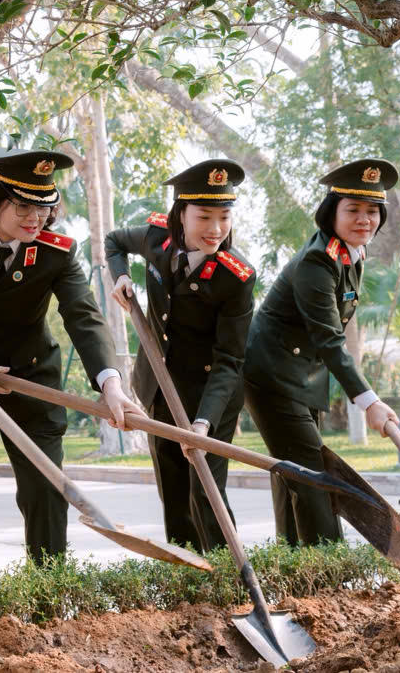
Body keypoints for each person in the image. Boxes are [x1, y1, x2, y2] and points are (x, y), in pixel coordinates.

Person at [0, 147, 143, 577]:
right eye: (22, 207)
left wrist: (111, 384)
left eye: (43, 208)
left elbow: (83, 315)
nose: (35, 219)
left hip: (30, 385)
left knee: (45, 494)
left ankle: (49, 597)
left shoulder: (58, 253)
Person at [241, 158, 400, 546]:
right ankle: (328, 568)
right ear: (332, 213)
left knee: (293, 472)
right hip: (272, 377)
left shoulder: (349, 255)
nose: (364, 219)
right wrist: (369, 402)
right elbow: (330, 339)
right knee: (313, 477)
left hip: (300, 375)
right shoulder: (318, 260)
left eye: (372, 211)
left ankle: (293, 563)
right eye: (353, 210)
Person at [106, 159, 256, 553]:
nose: (216, 228)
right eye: (204, 216)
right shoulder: (157, 238)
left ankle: (229, 573)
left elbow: (229, 360)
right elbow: (114, 241)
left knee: (205, 491)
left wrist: (202, 425)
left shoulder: (236, 276)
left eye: (224, 217)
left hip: (210, 396)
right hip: (159, 385)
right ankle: (187, 577)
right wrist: (120, 276)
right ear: (181, 214)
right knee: (173, 491)